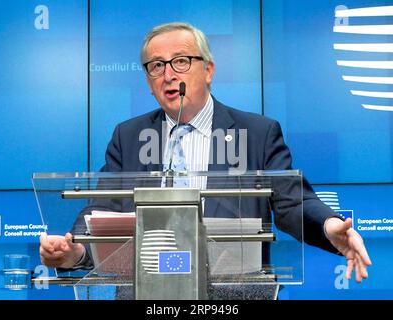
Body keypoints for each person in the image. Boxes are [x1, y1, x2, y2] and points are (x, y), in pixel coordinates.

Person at [40, 22, 371, 284]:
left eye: (181, 61)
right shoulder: (129, 136)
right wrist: (75, 250)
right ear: (148, 80)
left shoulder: (256, 133)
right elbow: (103, 210)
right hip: (148, 295)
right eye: (156, 66)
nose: (168, 74)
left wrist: (329, 225)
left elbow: (291, 201)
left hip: (235, 293)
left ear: (208, 70)